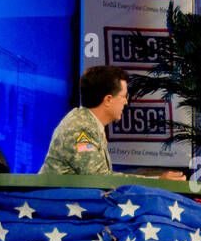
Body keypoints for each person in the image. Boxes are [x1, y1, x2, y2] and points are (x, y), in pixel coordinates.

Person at [39, 66, 183, 178]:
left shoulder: (88, 123)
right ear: (108, 99)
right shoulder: (80, 128)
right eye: (124, 96)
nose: (126, 102)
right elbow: (100, 179)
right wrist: (157, 181)